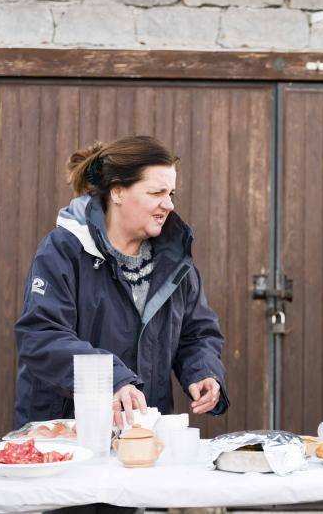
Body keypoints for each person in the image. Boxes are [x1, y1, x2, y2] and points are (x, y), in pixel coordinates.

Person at [14, 135, 229, 435]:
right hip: (68, 437)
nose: (168, 204)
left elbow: (196, 335)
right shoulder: (64, 250)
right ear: (117, 193)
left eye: (171, 193)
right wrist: (111, 379)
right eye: (156, 192)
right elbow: (41, 336)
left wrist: (203, 371)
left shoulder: (175, 260)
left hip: (143, 436)